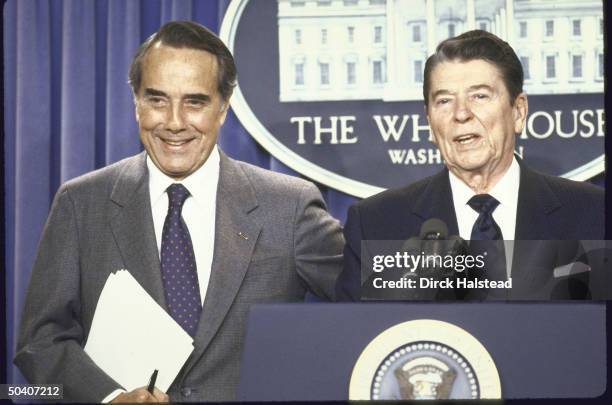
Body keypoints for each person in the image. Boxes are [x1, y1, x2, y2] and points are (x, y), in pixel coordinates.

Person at [15, 21, 344, 402]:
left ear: (222, 108)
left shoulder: (289, 206)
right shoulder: (81, 203)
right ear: (136, 103)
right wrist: (110, 397)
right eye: (157, 99)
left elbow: (371, 306)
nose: (174, 122)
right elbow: (40, 341)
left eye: (195, 102)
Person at [336, 30, 604, 301]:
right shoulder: (375, 225)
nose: (461, 113)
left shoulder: (594, 214)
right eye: (444, 101)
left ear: (518, 111)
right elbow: (355, 336)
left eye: (479, 96)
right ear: (429, 122)